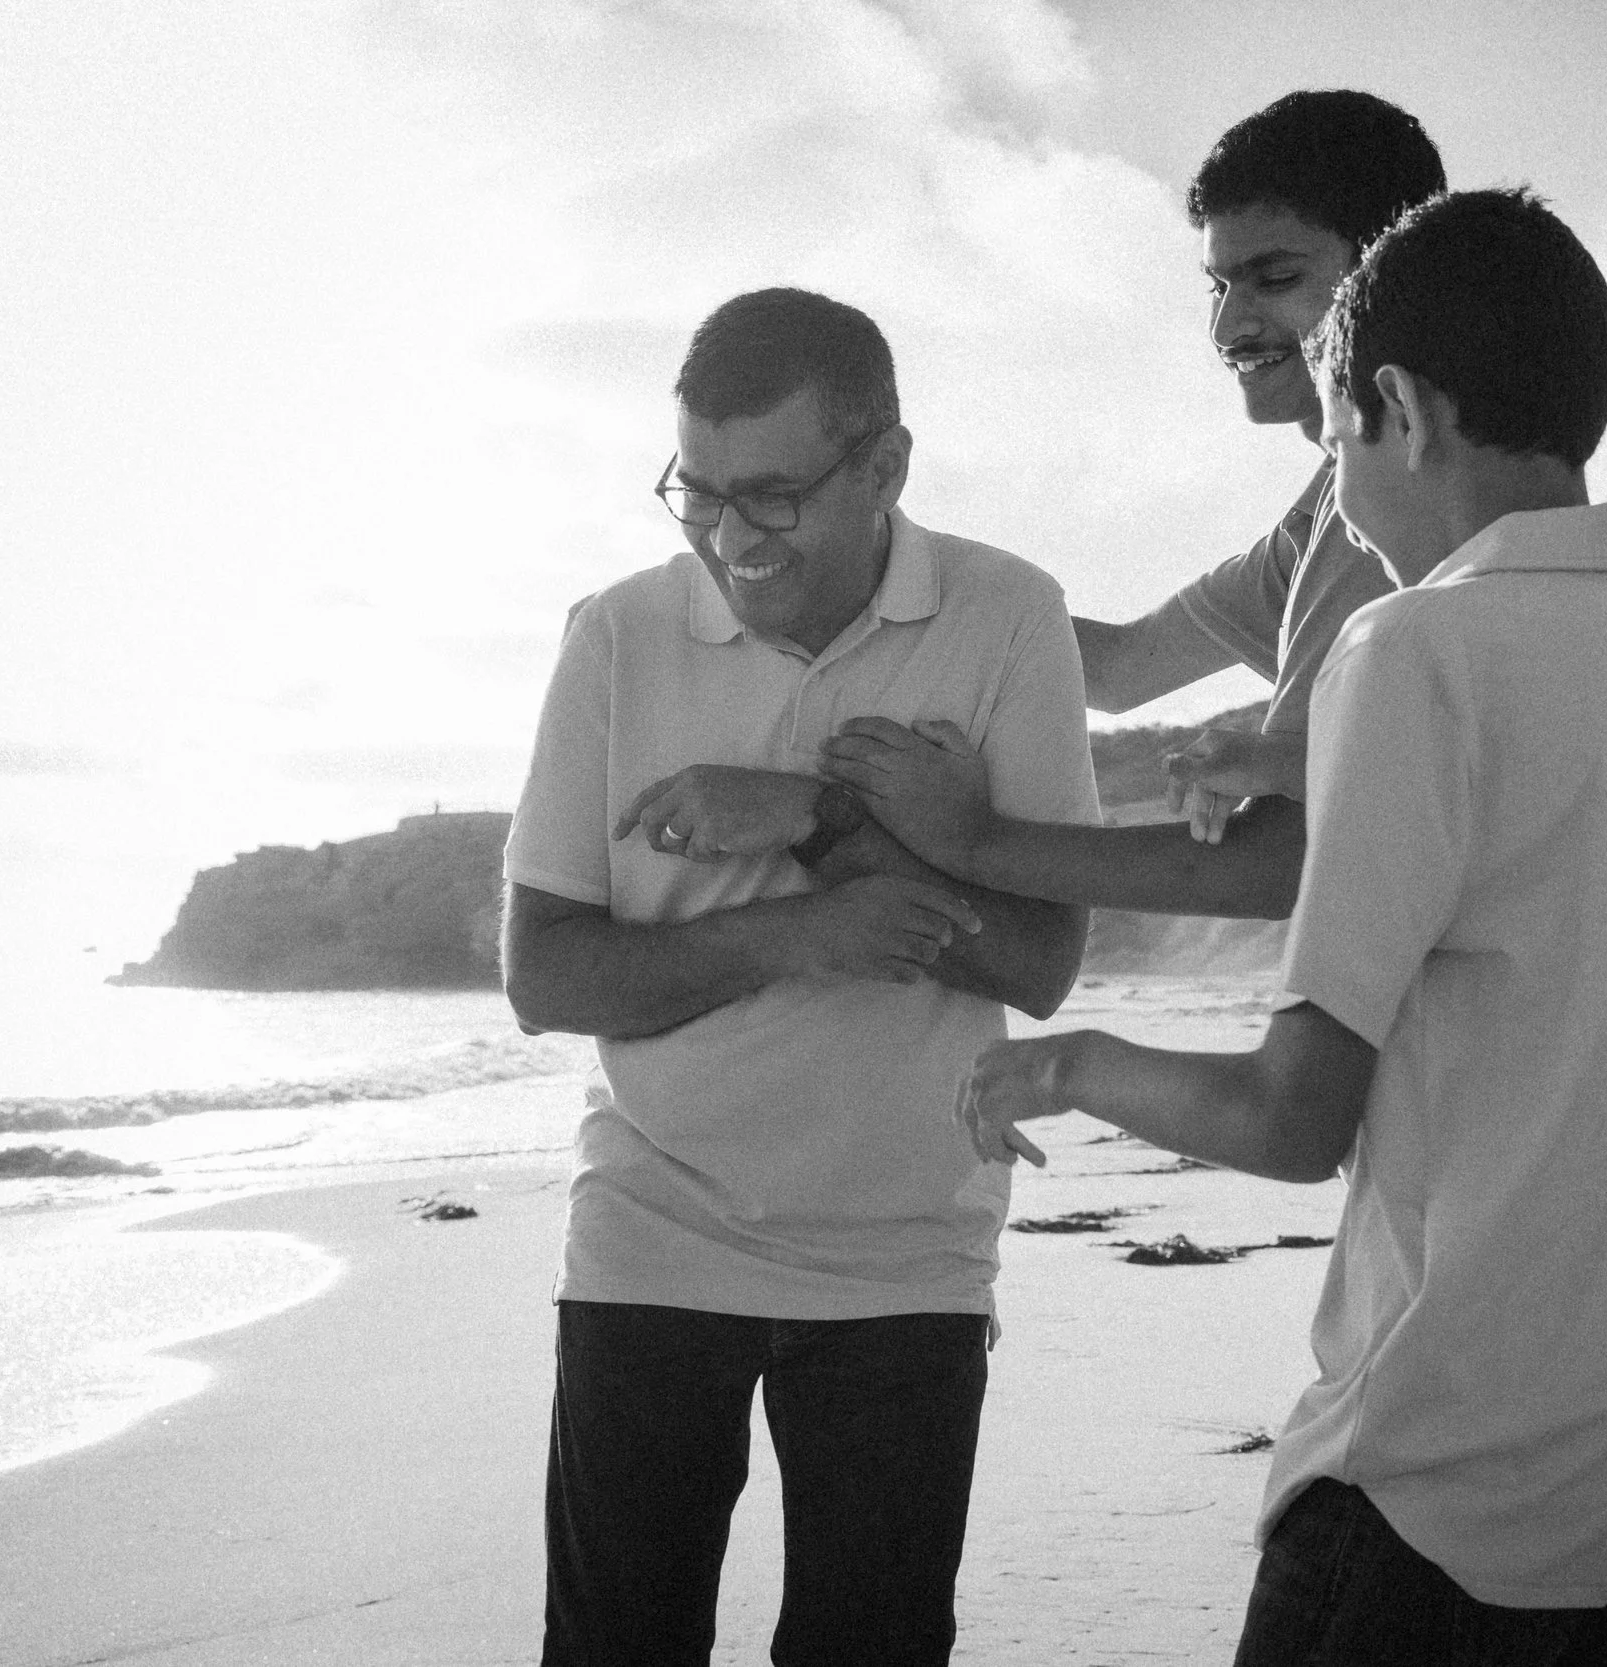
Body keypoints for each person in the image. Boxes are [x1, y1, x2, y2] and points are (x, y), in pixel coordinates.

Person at [955, 190, 1607, 1665]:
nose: (1337, 484)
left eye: (1334, 442)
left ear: (1396, 407)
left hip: (1444, 1484)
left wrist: (1063, 1063)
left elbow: (1291, 1113)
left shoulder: (1409, 646)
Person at [500, 287, 1098, 1667]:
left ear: (885, 466)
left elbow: (1045, 959)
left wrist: (817, 822)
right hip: (651, 1227)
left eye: (768, 499)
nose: (726, 539)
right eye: (695, 495)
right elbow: (545, 975)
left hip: (908, 1245)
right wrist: (795, 932)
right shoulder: (613, 635)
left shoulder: (1010, 615)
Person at [818, 90, 1441, 913]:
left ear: (1389, 277)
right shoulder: (1325, 512)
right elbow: (1120, 667)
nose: (1227, 328)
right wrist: (859, 572)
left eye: (1276, 278)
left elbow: (1280, 863)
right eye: (1217, 286)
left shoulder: (1392, 509)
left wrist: (973, 840)